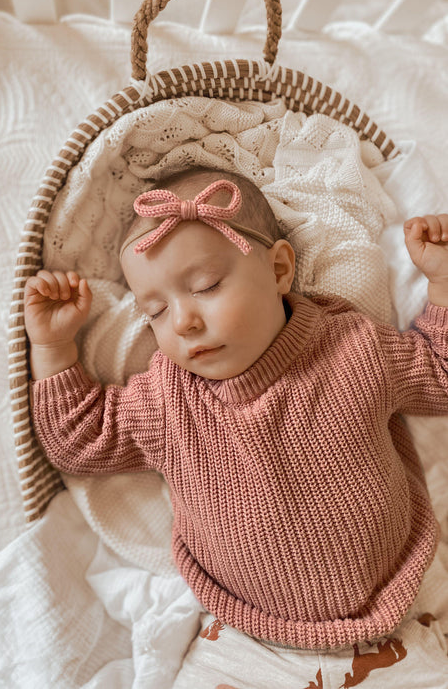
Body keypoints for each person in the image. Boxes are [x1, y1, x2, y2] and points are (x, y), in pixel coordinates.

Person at [25, 168, 448, 687]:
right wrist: (53, 349)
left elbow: (440, 372)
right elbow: (79, 441)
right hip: (250, 637)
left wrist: (443, 283)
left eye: (205, 286)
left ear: (278, 269)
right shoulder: (167, 402)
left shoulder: (354, 351)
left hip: (400, 608)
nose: (183, 321)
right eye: (154, 311)